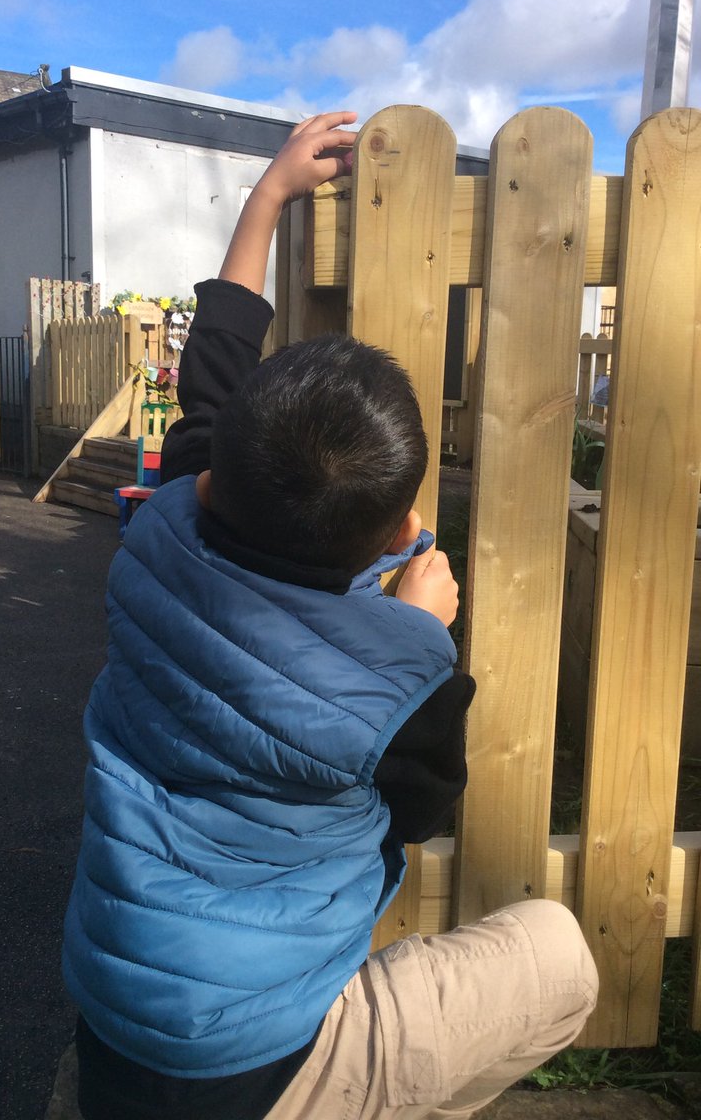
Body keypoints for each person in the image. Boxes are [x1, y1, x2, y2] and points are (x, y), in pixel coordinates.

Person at [62, 112, 598, 1120]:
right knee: (560, 959)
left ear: (212, 476)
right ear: (402, 529)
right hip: (258, 1071)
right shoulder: (408, 680)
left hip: (115, 1025)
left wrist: (267, 199)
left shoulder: (155, 541)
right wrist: (419, 633)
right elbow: (415, 813)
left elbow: (214, 364)